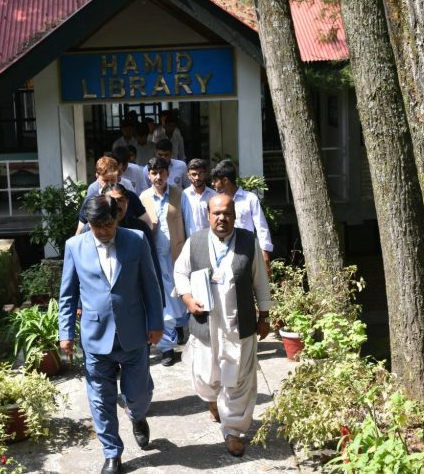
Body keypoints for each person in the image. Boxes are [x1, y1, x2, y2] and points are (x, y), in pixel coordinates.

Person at [59, 195, 164, 474]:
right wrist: (65, 332)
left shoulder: (136, 240)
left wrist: (156, 323)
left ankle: (137, 415)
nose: (104, 231)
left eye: (108, 225)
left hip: (134, 333)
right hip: (95, 336)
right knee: (100, 400)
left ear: (117, 218)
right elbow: (67, 295)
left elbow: (151, 285)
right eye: (97, 226)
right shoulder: (74, 246)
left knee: (138, 394)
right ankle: (112, 453)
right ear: (89, 223)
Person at [173, 193, 274, 457]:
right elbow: (180, 273)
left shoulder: (248, 242)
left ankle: (233, 430)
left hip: (238, 325)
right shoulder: (195, 242)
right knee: (206, 376)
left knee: (239, 379)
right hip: (206, 323)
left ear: (234, 216)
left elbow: (260, 281)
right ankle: (212, 399)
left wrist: (264, 316)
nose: (222, 218)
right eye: (216, 213)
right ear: (208, 216)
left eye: (227, 213)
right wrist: (187, 298)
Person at [139, 157, 192, 366]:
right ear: (148, 175)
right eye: (154, 173)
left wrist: (193, 251)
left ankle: (182, 332)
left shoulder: (180, 194)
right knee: (163, 301)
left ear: (168, 174)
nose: (158, 177)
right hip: (154, 258)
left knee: (182, 295)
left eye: (161, 172)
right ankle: (167, 348)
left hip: (178, 256)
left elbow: (190, 224)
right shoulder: (143, 197)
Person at [210, 160, 273, 270]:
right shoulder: (215, 201)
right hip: (223, 251)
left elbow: (261, 227)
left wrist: (265, 253)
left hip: (247, 251)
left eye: (215, 180)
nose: (212, 184)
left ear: (225, 180)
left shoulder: (250, 198)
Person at [76, 156, 151, 235]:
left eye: (113, 180)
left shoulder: (130, 196)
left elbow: (148, 223)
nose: (109, 184)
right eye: (105, 180)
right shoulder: (91, 199)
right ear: (97, 176)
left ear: (118, 177)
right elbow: (80, 231)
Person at [182, 158, 216, 235]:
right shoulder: (183, 195)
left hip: (209, 239)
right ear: (188, 175)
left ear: (205, 174)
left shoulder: (214, 196)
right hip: (190, 239)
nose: (197, 178)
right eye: (194, 174)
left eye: (200, 174)